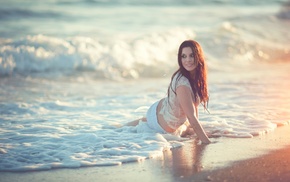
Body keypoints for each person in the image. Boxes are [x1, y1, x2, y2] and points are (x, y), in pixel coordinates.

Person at [126, 40, 211, 144]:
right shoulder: (182, 84)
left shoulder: (196, 77)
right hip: (160, 121)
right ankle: (113, 129)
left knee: (142, 122)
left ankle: (119, 127)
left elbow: (194, 107)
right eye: (183, 56)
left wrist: (196, 131)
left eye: (191, 55)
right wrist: (207, 142)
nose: (188, 60)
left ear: (198, 56)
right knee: (139, 125)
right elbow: (191, 117)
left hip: (165, 108)